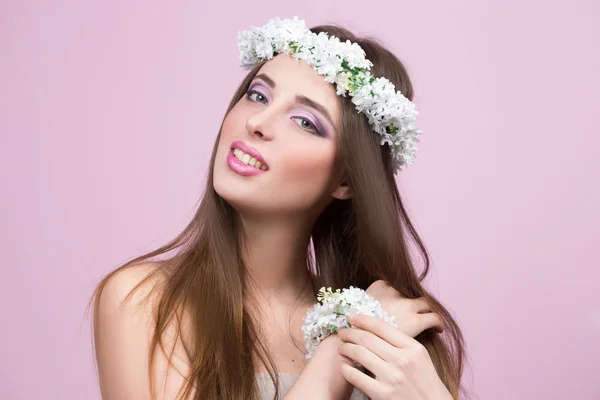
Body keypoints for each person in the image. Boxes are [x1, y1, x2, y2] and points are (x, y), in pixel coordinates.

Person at [91, 17, 465, 400]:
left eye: (305, 122)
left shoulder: (395, 331)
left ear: (346, 181)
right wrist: (339, 353)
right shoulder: (144, 302)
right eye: (258, 95)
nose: (257, 122)